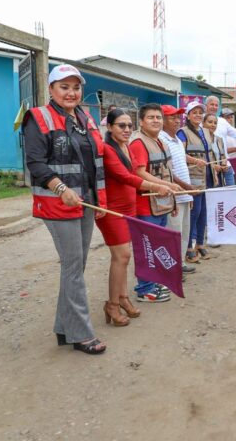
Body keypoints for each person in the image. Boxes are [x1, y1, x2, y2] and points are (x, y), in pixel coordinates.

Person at [23, 64, 108, 355]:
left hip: (84, 201)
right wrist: (60, 187)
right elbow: (35, 163)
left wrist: (99, 200)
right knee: (73, 267)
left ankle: (64, 328)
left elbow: (96, 161)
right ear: (51, 89)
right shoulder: (38, 117)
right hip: (58, 204)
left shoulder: (85, 118)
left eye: (75, 87)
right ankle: (82, 334)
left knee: (77, 267)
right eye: (64, 86)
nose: (71, 92)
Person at [96, 108, 176, 323]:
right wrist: (156, 186)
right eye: (121, 126)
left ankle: (122, 298)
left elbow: (133, 174)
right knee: (122, 256)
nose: (127, 129)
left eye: (129, 126)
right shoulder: (108, 149)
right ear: (110, 127)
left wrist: (164, 185)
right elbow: (126, 177)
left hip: (129, 207)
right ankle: (112, 305)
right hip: (113, 210)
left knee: (123, 257)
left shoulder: (124, 146)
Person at [129, 103, 181, 302]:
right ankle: (145, 290)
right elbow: (139, 173)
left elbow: (167, 172)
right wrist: (164, 186)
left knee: (158, 245)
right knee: (147, 248)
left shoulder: (160, 141)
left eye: (158, 117)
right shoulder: (138, 143)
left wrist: (173, 201)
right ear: (141, 121)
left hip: (162, 204)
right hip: (146, 205)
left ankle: (153, 282)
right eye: (151, 117)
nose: (156, 121)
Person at [158, 104, 199, 275]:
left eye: (178, 117)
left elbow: (181, 163)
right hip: (173, 195)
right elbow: (167, 173)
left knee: (183, 233)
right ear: (163, 120)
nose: (177, 121)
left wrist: (188, 194)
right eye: (172, 117)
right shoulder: (161, 140)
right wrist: (187, 188)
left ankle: (179, 264)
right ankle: (171, 269)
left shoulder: (176, 141)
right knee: (173, 234)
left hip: (184, 195)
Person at [179, 101, 216, 263]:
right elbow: (180, 154)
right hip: (193, 177)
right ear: (188, 115)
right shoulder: (183, 133)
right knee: (194, 214)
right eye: (194, 112)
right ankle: (188, 247)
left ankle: (200, 244)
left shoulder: (206, 131)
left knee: (204, 214)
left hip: (208, 176)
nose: (198, 115)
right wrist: (194, 160)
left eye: (200, 112)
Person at [203, 113, 229, 188]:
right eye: (210, 122)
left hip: (219, 177)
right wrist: (213, 166)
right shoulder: (200, 139)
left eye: (215, 123)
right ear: (203, 123)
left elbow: (223, 156)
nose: (213, 125)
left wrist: (224, 165)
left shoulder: (219, 139)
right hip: (206, 178)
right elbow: (200, 158)